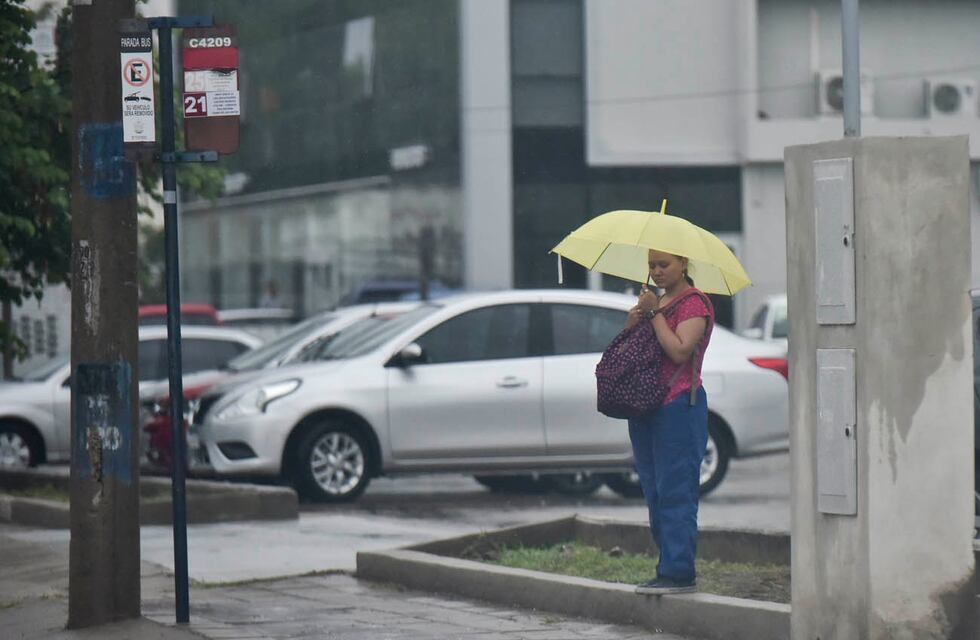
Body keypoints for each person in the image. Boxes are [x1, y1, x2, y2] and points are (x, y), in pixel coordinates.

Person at [624, 248, 714, 595]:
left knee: (676, 489)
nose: (657, 271)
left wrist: (655, 315)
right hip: (646, 406)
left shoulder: (695, 304)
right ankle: (667, 565)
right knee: (655, 490)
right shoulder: (657, 302)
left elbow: (679, 350)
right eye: (651, 265)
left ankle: (678, 571)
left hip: (679, 405)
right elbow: (638, 350)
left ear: (684, 263)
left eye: (664, 264)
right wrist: (634, 322)